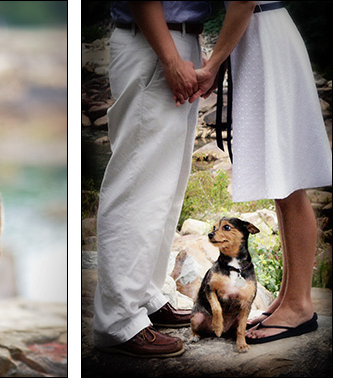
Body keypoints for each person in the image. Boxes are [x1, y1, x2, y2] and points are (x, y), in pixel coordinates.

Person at [190, 1, 332, 343]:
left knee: (288, 183)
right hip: (261, 38)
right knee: (281, 184)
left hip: (264, 40)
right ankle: (289, 297)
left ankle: (299, 306)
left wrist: (212, 64)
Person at [93, 1, 211, 357]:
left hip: (175, 41)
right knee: (137, 187)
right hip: (154, 44)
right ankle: (118, 321)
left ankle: (144, 295)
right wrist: (171, 58)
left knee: (164, 188)